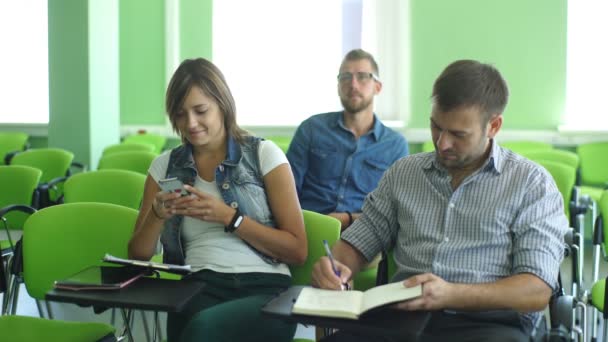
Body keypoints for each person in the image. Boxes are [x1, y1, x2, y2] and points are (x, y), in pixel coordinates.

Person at [311, 60, 568, 342]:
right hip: (402, 317)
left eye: (458, 134)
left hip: (489, 323)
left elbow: (536, 290)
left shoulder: (532, 185)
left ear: (493, 126)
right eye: (435, 127)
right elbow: (360, 241)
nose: (442, 143)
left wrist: (450, 294)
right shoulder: (404, 174)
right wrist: (336, 267)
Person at [128, 58, 307, 342]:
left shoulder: (264, 155)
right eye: (180, 114)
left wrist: (229, 217)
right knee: (194, 323)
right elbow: (137, 255)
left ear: (223, 105)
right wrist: (156, 214)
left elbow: (298, 250)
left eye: (201, 111)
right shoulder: (164, 166)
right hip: (199, 286)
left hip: (265, 289)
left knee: (202, 328)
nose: (191, 123)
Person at [287, 49, 408, 231]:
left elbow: (396, 210)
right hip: (308, 228)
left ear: (377, 87)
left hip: (362, 233)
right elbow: (287, 190)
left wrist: (347, 219)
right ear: (337, 86)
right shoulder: (311, 129)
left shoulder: (395, 145)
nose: (353, 84)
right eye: (345, 77)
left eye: (362, 76)